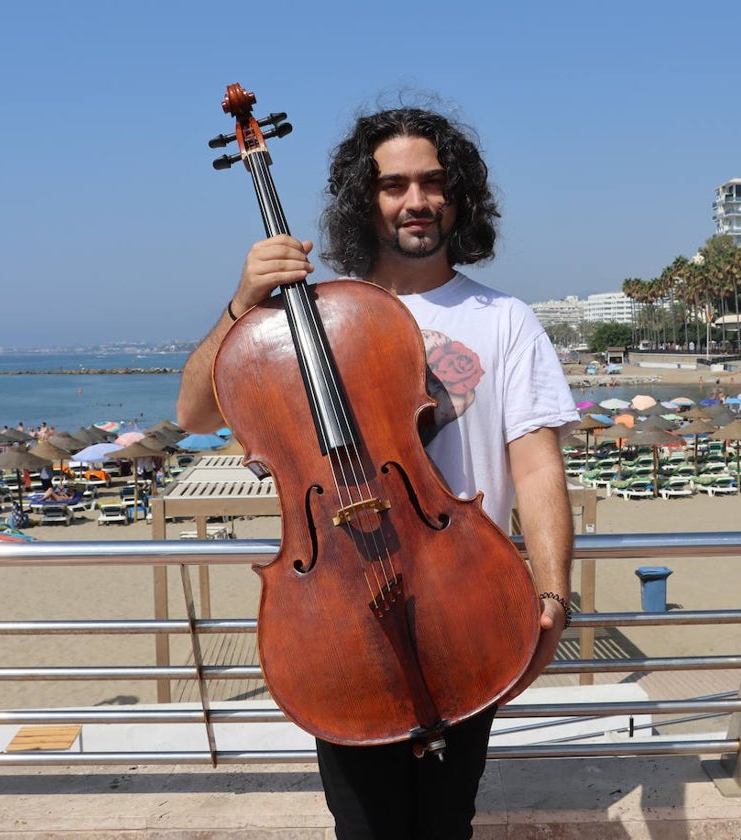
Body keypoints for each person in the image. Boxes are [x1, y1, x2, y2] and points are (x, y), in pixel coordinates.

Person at [177, 102, 578, 839]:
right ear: (367, 201)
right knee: (363, 827)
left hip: (462, 603)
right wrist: (240, 305)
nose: (416, 200)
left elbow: (537, 463)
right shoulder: (312, 318)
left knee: (449, 818)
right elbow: (196, 414)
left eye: (432, 183)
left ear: (459, 198)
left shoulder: (505, 318)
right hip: (337, 610)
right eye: (394, 185)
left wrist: (553, 592)